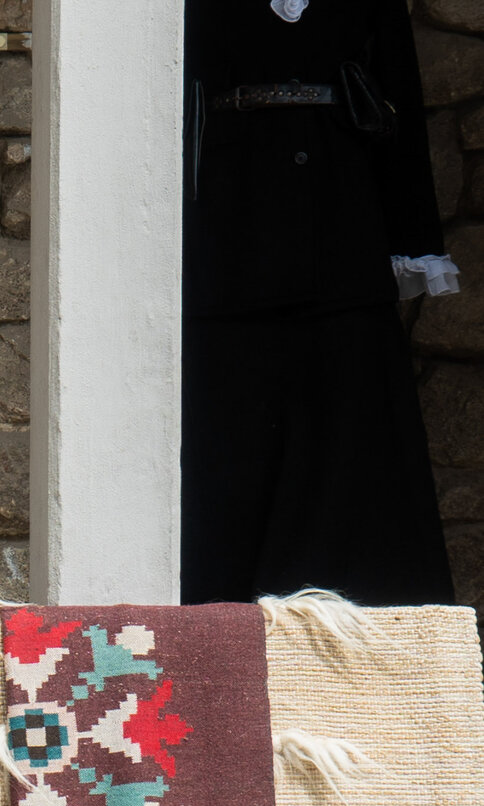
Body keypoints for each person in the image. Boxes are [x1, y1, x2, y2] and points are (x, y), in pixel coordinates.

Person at [183, 0, 455, 604]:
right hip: (232, 233)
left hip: (342, 227)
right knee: (238, 425)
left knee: (348, 416)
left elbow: (399, 100)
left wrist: (412, 239)